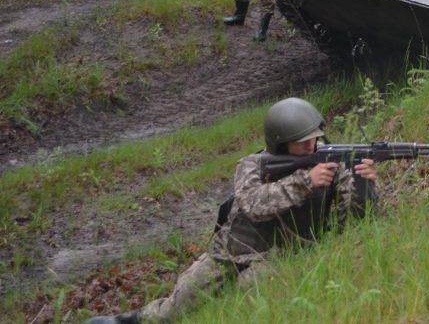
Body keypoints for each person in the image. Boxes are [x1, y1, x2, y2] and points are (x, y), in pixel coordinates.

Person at [83, 98, 378, 324]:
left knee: (248, 294)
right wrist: (305, 182)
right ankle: (129, 320)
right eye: (302, 142)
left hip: (286, 254)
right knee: (181, 302)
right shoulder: (253, 165)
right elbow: (253, 204)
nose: (312, 145)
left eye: (314, 138)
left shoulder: (332, 162)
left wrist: (364, 185)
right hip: (233, 250)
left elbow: (350, 222)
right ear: (280, 141)